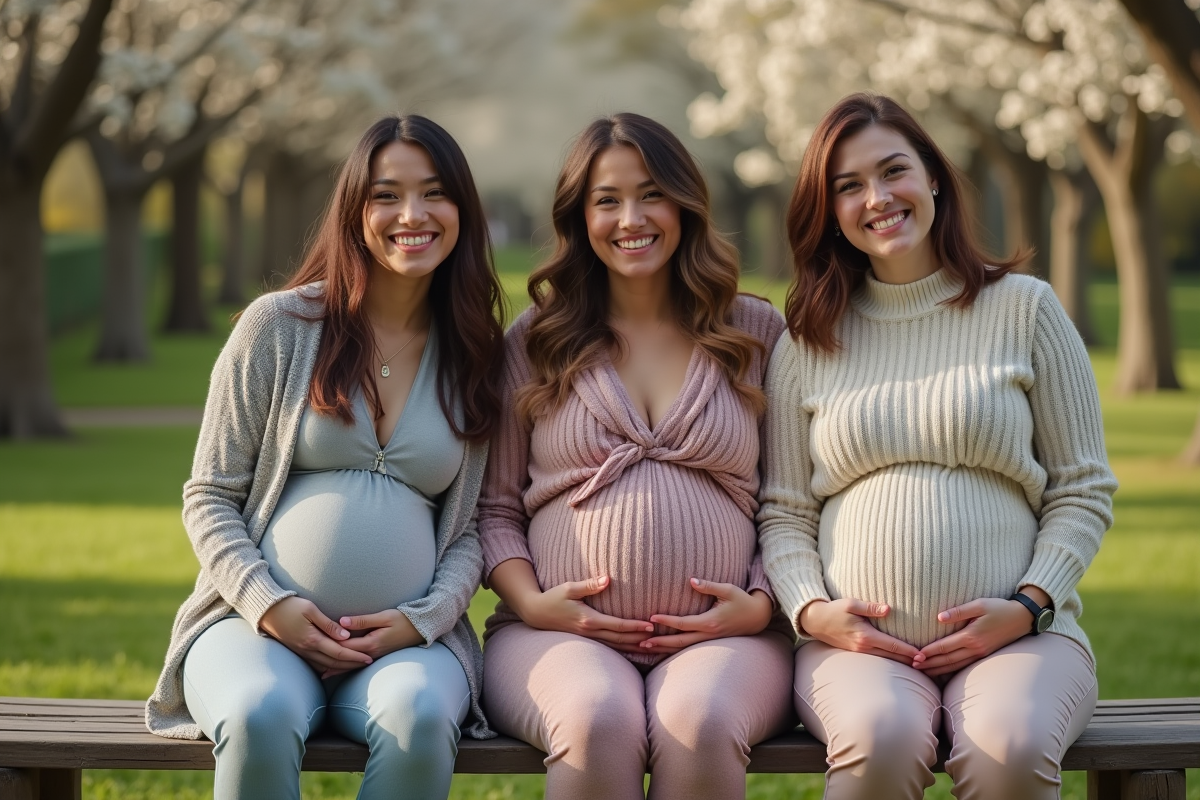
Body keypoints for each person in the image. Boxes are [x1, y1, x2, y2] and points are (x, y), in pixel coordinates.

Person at [757, 92, 1118, 800]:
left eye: (893, 171)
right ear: (829, 211)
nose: (877, 198)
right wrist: (813, 612)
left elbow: (1082, 489)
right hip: (857, 652)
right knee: (880, 744)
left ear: (933, 178)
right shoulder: (807, 342)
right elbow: (785, 512)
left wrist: (1030, 605)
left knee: (1011, 747)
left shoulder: (1025, 309)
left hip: (1023, 640)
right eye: (849, 186)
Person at [144, 115, 505, 800]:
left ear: (463, 209)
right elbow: (210, 495)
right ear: (354, 211)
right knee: (258, 714)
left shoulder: (477, 353)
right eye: (386, 195)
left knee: (421, 719)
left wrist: (422, 621)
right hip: (253, 630)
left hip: (407, 649)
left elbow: (474, 527)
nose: (413, 215)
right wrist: (269, 603)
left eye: (434, 193)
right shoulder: (280, 326)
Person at [476, 113, 795, 800]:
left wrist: (760, 602)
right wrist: (533, 603)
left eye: (652, 194)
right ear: (579, 217)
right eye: (607, 200)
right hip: (552, 637)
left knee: (702, 722)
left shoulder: (756, 332)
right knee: (596, 721)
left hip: (733, 640)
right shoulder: (536, 341)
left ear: (685, 204)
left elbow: (791, 500)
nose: (632, 218)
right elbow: (495, 509)